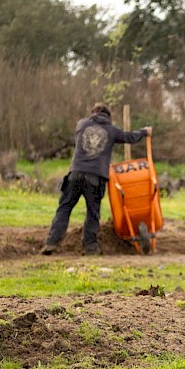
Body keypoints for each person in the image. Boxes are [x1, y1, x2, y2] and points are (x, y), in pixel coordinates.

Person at [41, 103, 151, 255]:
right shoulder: (111, 130)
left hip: (75, 173)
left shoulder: (81, 124)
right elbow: (129, 137)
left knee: (64, 208)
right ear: (108, 117)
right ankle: (90, 248)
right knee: (92, 213)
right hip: (95, 177)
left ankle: (51, 243)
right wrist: (144, 132)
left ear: (93, 113)